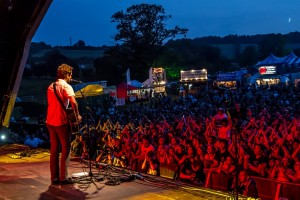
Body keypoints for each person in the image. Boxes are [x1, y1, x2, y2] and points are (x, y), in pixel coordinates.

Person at [46, 64, 82, 185]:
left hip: (50, 121)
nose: (71, 76)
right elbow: (74, 103)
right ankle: (63, 177)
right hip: (61, 122)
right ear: (66, 74)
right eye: (70, 74)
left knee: (54, 149)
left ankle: (54, 177)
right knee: (66, 148)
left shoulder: (50, 86)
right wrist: (77, 116)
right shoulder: (66, 86)